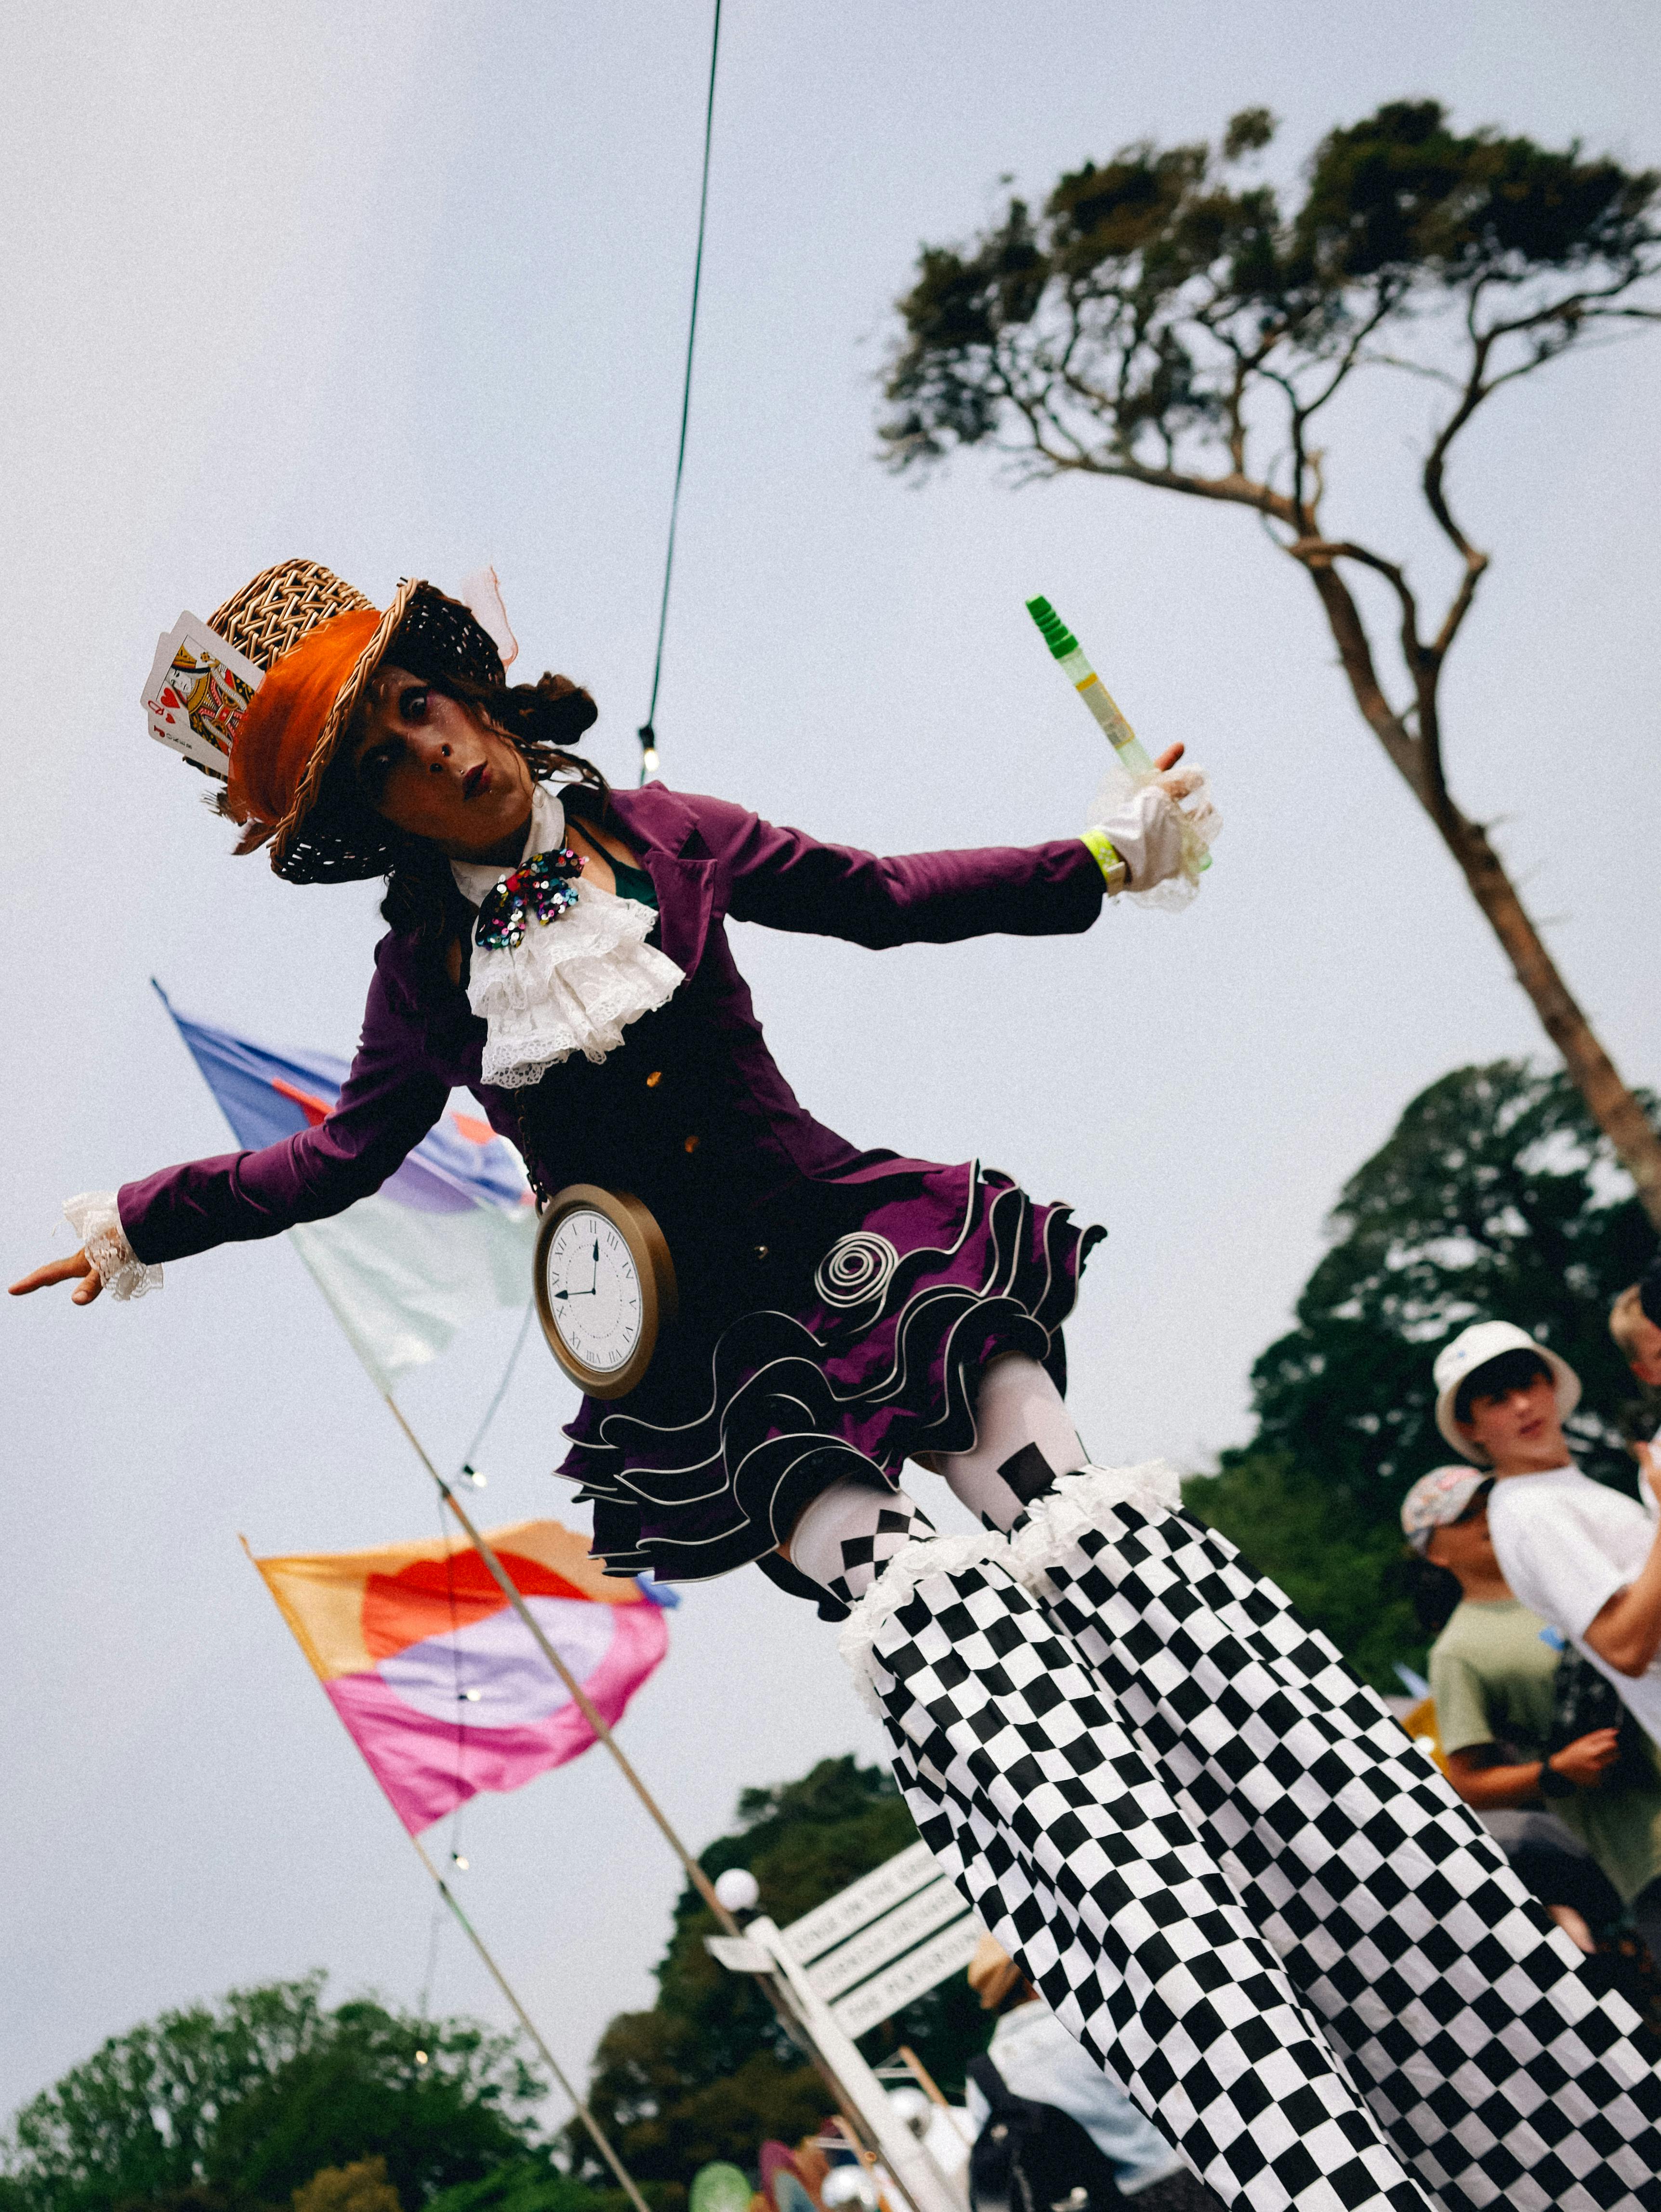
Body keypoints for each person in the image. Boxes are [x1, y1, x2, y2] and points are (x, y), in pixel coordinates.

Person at [16, 560, 1661, 2212]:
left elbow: (884, 892)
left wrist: (1098, 855)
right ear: (372, 816)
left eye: (420, 707)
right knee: (951, 1647)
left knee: (1111, 1560)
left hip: (866, 1252)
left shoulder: (668, 833)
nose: (434, 754)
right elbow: (331, 1157)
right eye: (381, 756)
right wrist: (139, 1220)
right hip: (712, 1372)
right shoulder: (426, 983)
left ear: (467, 683)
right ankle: (1296, 2153)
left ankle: (1519, 2079)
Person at [1402, 1464, 1661, 1961]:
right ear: (1435, 1550)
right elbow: (1465, 1783)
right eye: (1464, 1517)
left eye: (1487, 1503)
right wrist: (1556, 1771)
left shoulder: (1566, 1578)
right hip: (1644, 1845)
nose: (1485, 1518)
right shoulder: (1457, 1650)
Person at [1435, 1319, 1661, 1755]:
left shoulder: (1561, 1491)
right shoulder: (1530, 1509)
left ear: (1552, 1387)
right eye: (1497, 1400)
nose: (1522, 1406)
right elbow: (1624, 1647)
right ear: (1470, 1427)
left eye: (1528, 1385)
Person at [962, 1935, 1213, 2209]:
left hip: (1101, 2203)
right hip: (1187, 2175)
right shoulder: (1093, 2022)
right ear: (1029, 1980)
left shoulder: (985, 2075)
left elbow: (1002, 2157)